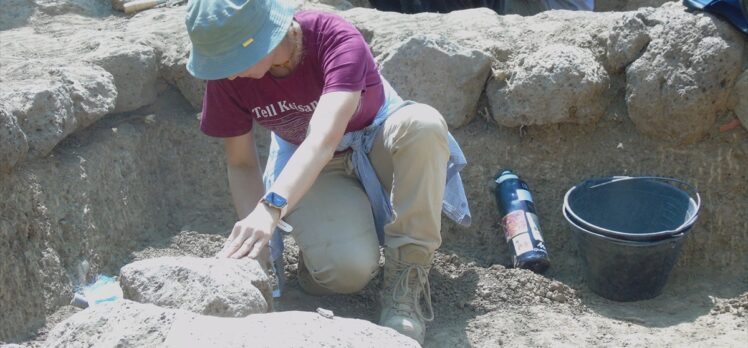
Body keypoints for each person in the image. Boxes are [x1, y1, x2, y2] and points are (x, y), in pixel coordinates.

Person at [184, 0, 471, 344]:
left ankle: (406, 282)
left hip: (374, 144)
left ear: (263, 39)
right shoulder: (226, 79)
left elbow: (322, 138)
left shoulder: (333, 37)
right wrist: (256, 259)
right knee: (346, 272)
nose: (227, 73)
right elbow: (242, 163)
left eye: (231, 61)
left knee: (423, 125)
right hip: (318, 170)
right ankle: (320, 263)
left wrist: (271, 208)